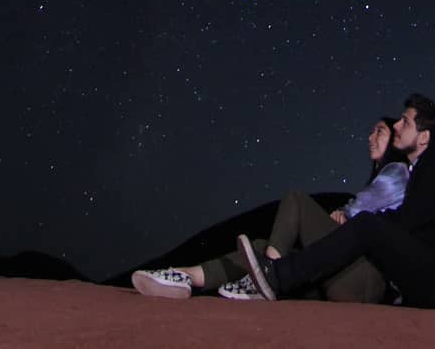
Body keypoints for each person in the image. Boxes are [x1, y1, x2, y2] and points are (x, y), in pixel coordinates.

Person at [238, 92, 435, 310]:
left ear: (424, 137)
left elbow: (407, 221)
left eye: (405, 121)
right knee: (366, 230)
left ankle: (277, 276)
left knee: (367, 225)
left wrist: (357, 222)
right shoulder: (425, 168)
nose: (397, 125)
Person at [132, 116, 409, 301]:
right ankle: (185, 277)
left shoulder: (396, 171)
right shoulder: (379, 177)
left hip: (366, 282)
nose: (370, 136)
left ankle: (269, 276)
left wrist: (346, 212)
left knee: (297, 201)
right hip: (346, 280)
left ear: (395, 141)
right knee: (262, 247)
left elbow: (363, 208)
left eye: (379, 131)